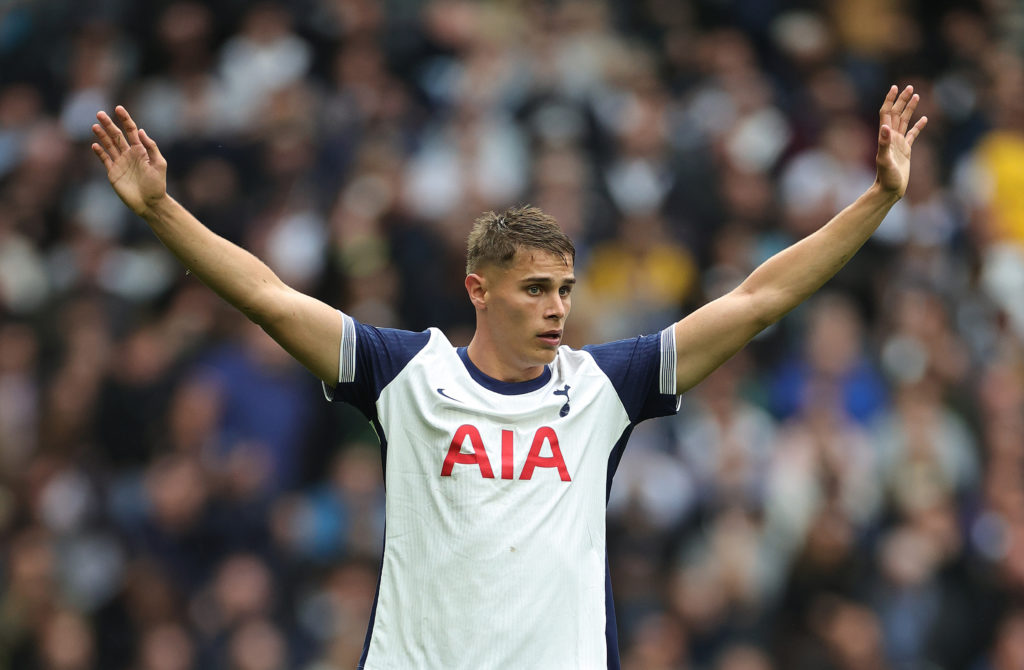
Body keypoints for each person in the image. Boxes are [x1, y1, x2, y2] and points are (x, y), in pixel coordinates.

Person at [91, 85, 926, 669]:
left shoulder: (605, 387)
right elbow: (271, 299)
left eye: (564, 288)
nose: (557, 307)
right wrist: (162, 210)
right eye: (536, 289)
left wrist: (878, 199)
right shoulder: (406, 375)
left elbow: (754, 302)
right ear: (478, 290)